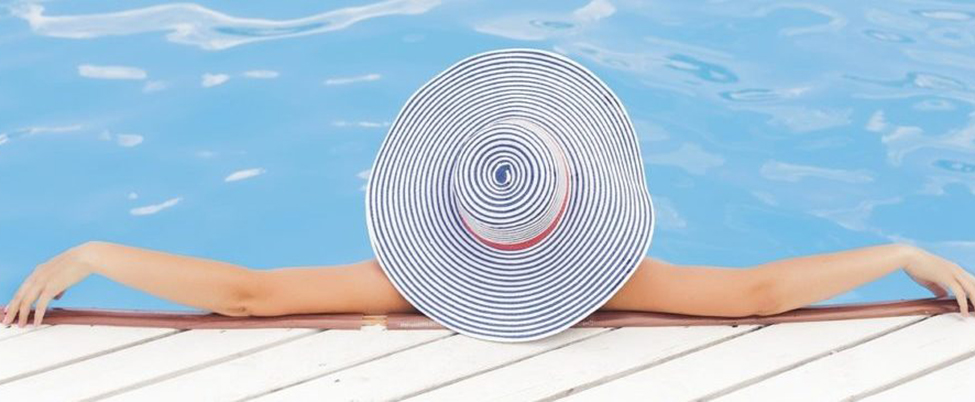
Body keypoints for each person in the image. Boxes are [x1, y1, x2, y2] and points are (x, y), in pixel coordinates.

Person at [2, 240, 974, 328]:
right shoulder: (606, 278)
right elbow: (755, 292)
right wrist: (896, 253)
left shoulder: (415, 282)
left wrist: (98, 255)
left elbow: (251, 295)